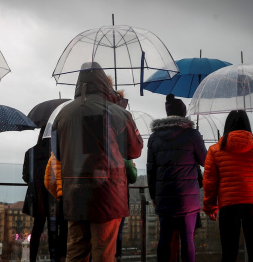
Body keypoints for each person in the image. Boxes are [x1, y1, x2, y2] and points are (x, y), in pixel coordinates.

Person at [51, 62, 143, 261]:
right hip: (107, 195)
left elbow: (57, 153)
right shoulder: (118, 112)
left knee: (75, 252)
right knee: (104, 254)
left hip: (74, 194)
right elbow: (134, 150)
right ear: (103, 83)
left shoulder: (63, 114)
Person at [202, 110, 253, 262]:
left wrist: (210, 207)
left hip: (228, 205)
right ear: (248, 126)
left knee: (229, 254)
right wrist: (251, 179)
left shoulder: (215, 150)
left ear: (227, 126)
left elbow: (210, 183)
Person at [147, 94, 207, 262]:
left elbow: (151, 169)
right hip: (187, 197)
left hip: (164, 195)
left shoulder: (154, 138)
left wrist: (154, 196)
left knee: (164, 237)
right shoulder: (192, 135)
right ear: (183, 113)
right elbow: (205, 161)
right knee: (187, 238)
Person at [22, 127, 67, 262]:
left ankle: (32, 259)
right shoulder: (59, 152)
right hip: (54, 197)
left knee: (37, 230)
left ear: (41, 135)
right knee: (54, 230)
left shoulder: (30, 152)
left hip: (37, 197)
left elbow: (26, 176)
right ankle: (56, 258)